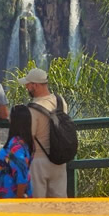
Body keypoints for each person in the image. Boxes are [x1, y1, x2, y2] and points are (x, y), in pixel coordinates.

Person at [23, 67, 70, 198]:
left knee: (38, 203)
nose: (26, 87)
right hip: (59, 158)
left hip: (39, 160)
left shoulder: (32, 109)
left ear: (35, 85)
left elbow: (29, 136)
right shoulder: (60, 101)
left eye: (28, 85)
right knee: (59, 201)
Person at [0, 104, 33, 199]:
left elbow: (21, 174)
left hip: (11, 198)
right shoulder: (23, 143)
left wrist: (19, 199)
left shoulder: (16, 146)